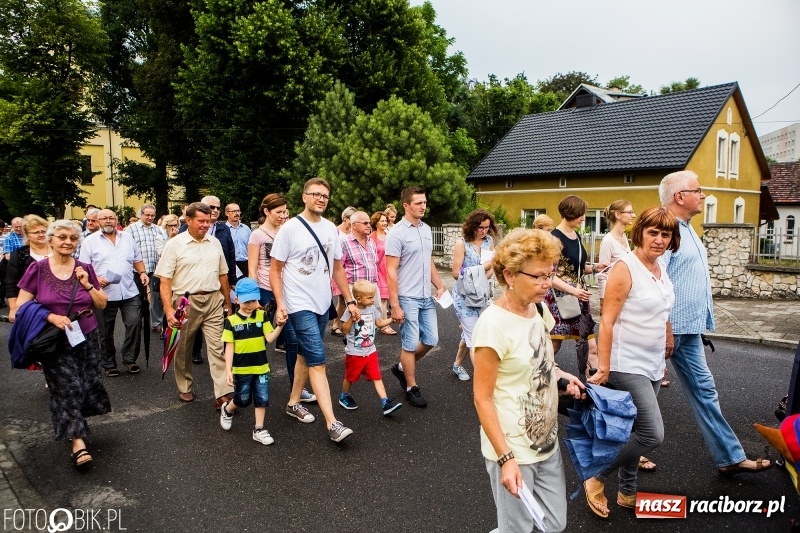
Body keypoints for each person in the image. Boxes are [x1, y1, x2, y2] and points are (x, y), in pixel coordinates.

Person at [660, 170, 772, 476]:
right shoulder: (664, 229)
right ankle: (610, 462)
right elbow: (656, 283)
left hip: (689, 330)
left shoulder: (687, 228)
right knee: (638, 397)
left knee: (705, 390)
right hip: (666, 331)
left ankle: (729, 458)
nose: (704, 194)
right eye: (698, 190)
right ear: (680, 196)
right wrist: (666, 328)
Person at [473, 228, 584, 533]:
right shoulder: (492, 326)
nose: (547, 284)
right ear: (509, 275)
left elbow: (542, 361)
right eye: (538, 277)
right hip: (513, 448)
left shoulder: (538, 309)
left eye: (549, 275)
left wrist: (561, 377)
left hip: (546, 440)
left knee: (554, 524)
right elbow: (482, 398)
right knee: (516, 529)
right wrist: (506, 459)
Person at [584, 207, 678, 518]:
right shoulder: (625, 268)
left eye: (665, 234)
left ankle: (627, 493)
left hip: (651, 361)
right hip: (626, 364)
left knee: (634, 432)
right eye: (653, 232)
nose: (660, 240)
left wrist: (667, 338)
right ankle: (596, 476)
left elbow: (662, 308)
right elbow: (607, 321)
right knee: (652, 433)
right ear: (640, 233)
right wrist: (604, 366)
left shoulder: (660, 267)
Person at [15, 220, 109, 468]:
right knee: (66, 387)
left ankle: (75, 421)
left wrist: (87, 283)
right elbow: (21, 306)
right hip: (55, 340)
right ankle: (77, 442)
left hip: (86, 337)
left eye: (73, 238)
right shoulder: (38, 269)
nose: (67, 242)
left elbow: (101, 304)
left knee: (86, 383)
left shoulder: (85, 268)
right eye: (62, 237)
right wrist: (50, 316)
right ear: (51, 239)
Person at [270, 177, 356, 442]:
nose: (321, 199)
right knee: (318, 360)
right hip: (299, 303)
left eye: (325, 196)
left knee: (305, 356)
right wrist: (281, 303)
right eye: (316, 194)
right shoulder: (290, 229)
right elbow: (275, 269)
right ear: (304, 197)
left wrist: (350, 301)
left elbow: (338, 268)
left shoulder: (332, 229)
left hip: (322, 302)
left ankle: (293, 402)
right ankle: (333, 424)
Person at [155, 202, 234, 409]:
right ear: (188, 220)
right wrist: (169, 310)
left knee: (218, 347)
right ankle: (185, 386)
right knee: (183, 348)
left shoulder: (215, 242)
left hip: (213, 300)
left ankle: (223, 393)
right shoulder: (174, 244)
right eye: (201, 221)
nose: (205, 225)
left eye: (208, 221)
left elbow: (223, 275)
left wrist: (228, 303)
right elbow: (165, 281)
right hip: (185, 303)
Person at [248, 193, 315, 403]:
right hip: (265, 293)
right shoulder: (257, 236)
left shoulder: (289, 232)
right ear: (266, 211)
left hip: (288, 292)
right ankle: (247, 382)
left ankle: (297, 388)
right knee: (258, 340)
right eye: (279, 212)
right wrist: (254, 298)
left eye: (286, 211)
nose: (284, 216)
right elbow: (252, 270)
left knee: (293, 341)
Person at [385, 186, 446, 408]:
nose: (423, 206)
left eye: (424, 202)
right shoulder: (396, 233)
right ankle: (411, 386)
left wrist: (439, 285)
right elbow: (391, 270)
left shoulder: (427, 229)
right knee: (409, 344)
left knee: (431, 339)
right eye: (418, 203)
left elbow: (427, 260)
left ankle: (401, 368)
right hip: (407, 297)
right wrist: (395, 305)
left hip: (425, 296)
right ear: (406, 205)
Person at [543, 195, 607, 377]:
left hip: (579, 298)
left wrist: (595, 268)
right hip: (560, 300)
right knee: (553, 346)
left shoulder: (576, 235)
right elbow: (550, 275)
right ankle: (535, 377)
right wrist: (573, 291)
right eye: (580, 214)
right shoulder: (553, 239)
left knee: (591, 345)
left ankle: (593, 390)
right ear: (569, 213)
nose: (583, 218)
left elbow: (577, 269)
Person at [80, 210, 149, 376]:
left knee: (134, 324)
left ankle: (129, 359)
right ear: (97, 221)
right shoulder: (90, 241)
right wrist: (96, 278)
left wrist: (142, 273)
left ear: (116, 220)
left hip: (129, 290)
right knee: (105, 331)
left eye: (111, 218)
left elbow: (137, 259)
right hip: (103, 294)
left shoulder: (127, 237)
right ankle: (109, 363)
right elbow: (83, 267)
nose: (108, 221)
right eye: (104, 218)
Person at [219, 278, 285, 445]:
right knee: (242, 399)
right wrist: (228, 370)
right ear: (237, 299)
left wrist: (279, 326)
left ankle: (259, 429)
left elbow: (269, 338)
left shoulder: (262, 316)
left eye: (254, 300)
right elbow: (229, 347)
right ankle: (227, 410)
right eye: (246, 301)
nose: (251, 304)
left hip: (261, 367)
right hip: (241, 369)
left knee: (262, 397)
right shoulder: (231, 322)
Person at [182, 195, 236, 365]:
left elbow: (230, 255)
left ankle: (222, 382)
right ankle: (195, 350)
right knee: (193, 327)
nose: (215, 211)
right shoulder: (184, 230)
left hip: (218, 282)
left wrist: (232, 280)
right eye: (211, 207)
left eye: (217, 208)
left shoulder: (222, 229)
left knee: (218, 325)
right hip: (192, 288)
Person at [338, 279, 402, 416]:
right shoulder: (351, 311)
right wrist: (352, 319)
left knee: (377, 377)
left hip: (370, 351)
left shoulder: (372, 309)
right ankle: (344, 396)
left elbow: (379, 323)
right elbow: (343, 330)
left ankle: (385, 402)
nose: (373, 300)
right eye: (370, 297)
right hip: (355, 353)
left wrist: (392, 320)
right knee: (350, 377)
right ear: (359, 299)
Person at [450, 209, 497, 381]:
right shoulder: (461, 243)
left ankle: (456, 365)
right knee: (475, 340)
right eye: (480, 228)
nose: (484, 231)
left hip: (482, 296)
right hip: (464, 298)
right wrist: (481, 269)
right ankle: (483, 384)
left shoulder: (489, 241)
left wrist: (481, 279)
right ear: (472, 226)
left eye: (487, 227)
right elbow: (456, 273)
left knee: (469, 335)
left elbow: (492, 266)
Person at [127, 204, 168, 336]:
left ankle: (157, 323)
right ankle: (138, 322)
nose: (150, 218)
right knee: (137, 298)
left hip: (156, 269)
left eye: (152, 215)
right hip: (138, 270)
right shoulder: (131, 230)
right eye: (147, 215)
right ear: (141, 215)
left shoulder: (158, 230)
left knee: (157, 298)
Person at [7, 215, 50, 323]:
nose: (41, 234)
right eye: (36, 232)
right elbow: (11, 283)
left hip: (57, 302)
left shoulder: (57, 250)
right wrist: (13, 308)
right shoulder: (20, 255)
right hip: (30, 306)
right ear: (27, 235)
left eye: (43, 231)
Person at [597, 200, 634, 306]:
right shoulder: (608, 240)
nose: (633, 215)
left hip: (624, 293)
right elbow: (603, 273)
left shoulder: (623, 237)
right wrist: (603, 301)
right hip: (612, 295)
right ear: (618, 215)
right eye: (630, 212)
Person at [330, 206, 357, 336]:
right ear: (345, 218)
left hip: (350, 269)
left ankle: (339, 324)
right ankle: (336, 324)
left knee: (346, 299)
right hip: (338, 268)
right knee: (343, 299)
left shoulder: (353, 232)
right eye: (352, 219)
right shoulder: (335, 231)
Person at [369, 211, 396, 334]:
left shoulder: (389, 235)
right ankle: (384, 325)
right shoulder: (371, 238)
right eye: (382, 221)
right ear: (376, 223)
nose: (385, 222)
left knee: (387, 298)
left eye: (386, 220)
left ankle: (380, 322)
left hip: (389, 270)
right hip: (378, 271)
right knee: (382, 299)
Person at [225, 202, 251, 284]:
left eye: (238, 211)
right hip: (232, 264)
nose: (237, 213)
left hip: (247, 263)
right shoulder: (224, 230)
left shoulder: (246, 228)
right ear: (227, 213)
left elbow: (250, 246)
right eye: (234, 211)